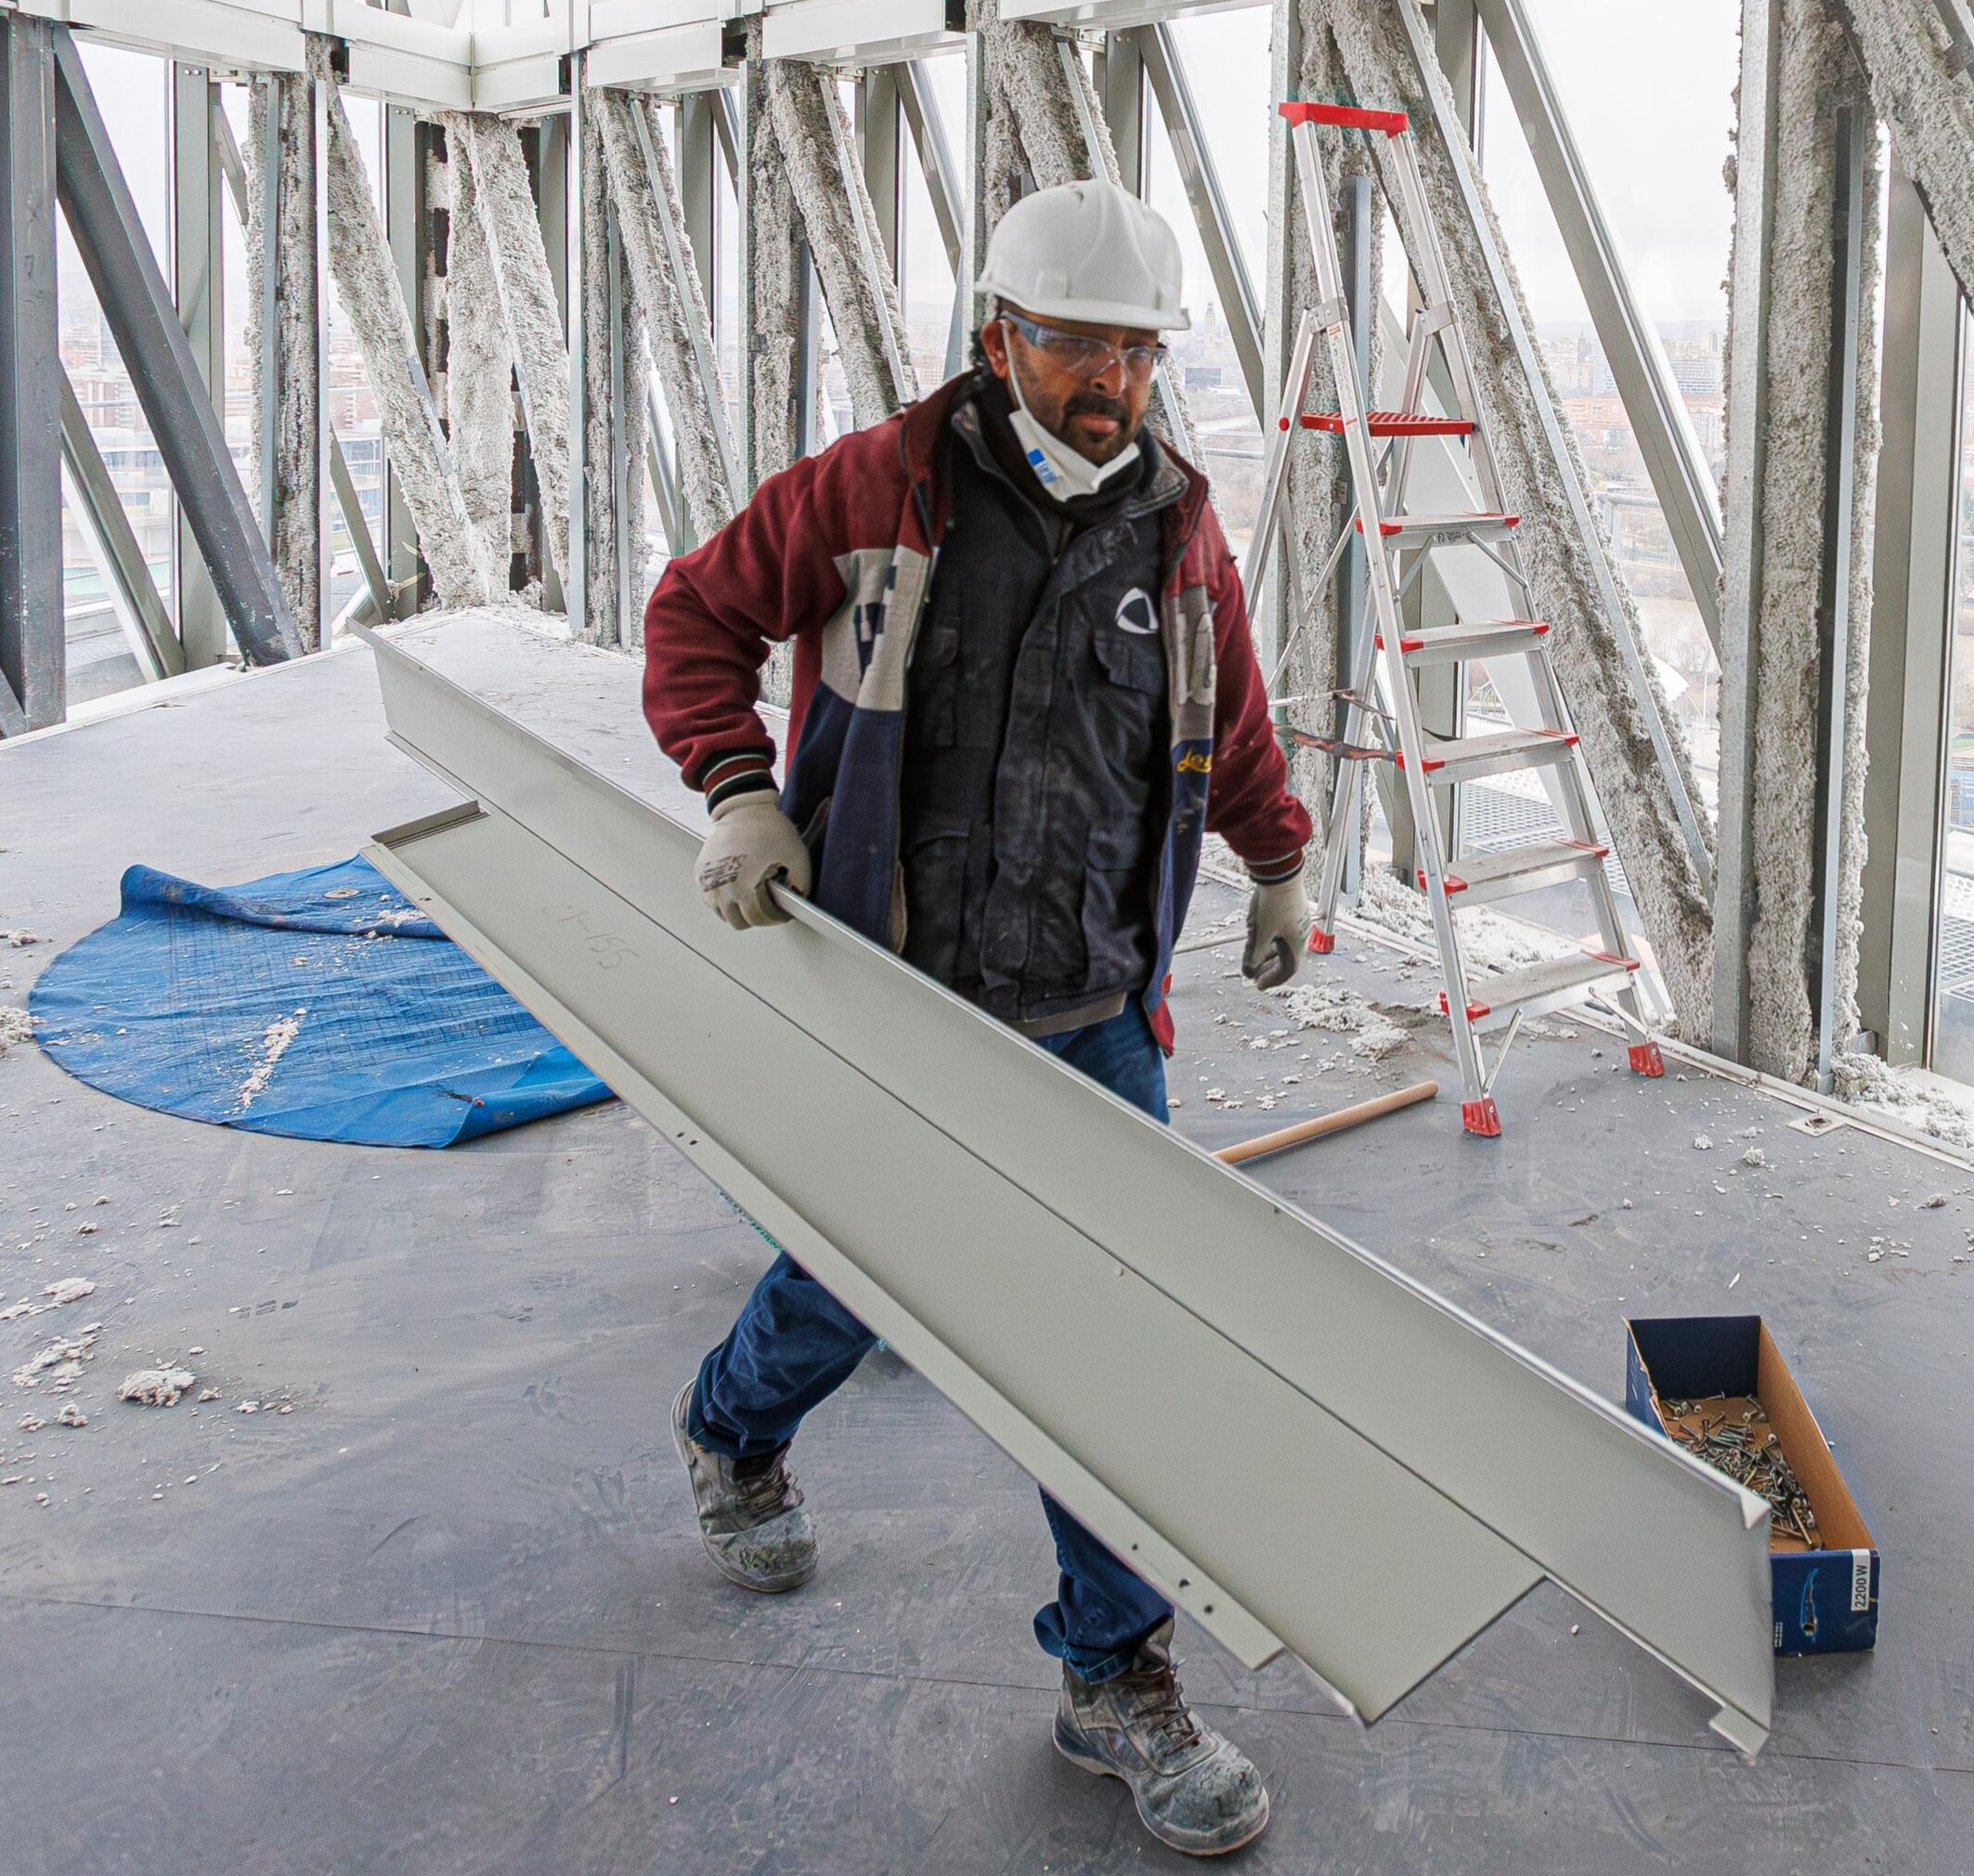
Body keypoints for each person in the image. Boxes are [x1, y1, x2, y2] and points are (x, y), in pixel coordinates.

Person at [638, 178, 1313, 1856]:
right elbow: (693, 618)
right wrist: (738, 791)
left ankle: (1117, 1676)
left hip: (1097, 1007)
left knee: (1107, 1353)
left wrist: (1278, 860)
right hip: (901, 992)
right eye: (1076, 342)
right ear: (998, 335)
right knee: (867, 1279)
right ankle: (733, 1429)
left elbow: (1221, 713)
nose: (1108, 379)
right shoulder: (884, 487)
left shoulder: (1178, 522)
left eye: (1134, 350)